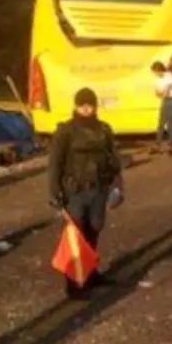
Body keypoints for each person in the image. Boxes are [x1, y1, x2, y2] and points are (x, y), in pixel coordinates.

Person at [46, 88, 123, 300]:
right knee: (76, 236)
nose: (86, 109)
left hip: (98, 189)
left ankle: (91, 273)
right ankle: (74, 284)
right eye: (82, 105)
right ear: (76, 106)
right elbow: (55, 164)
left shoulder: (104, 130)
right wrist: (55, 193)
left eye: (90, 105)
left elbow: (114, 160)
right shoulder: (66, 131)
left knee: (94, 230)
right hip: (75, 191)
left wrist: (118, 186)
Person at [150, 61, 172, 155]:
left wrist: (162, 92)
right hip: (165, 100)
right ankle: (157, 145)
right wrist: (161, 93)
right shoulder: (157, 79)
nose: (155, 74)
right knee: (161, 123)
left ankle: (171, 146)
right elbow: (157, 93)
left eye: (155, 72)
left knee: (170, 124)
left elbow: (166, 92)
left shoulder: (169, 76)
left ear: (159, 70)